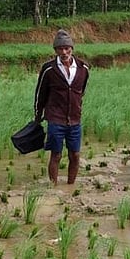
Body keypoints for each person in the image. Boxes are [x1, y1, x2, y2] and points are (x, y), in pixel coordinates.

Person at [33, 29, 90, 185]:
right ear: (55, 50)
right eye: (60, 49)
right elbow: (40, 93)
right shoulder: (49, 69)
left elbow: (81, 91)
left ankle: (70, 187)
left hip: (75, 120)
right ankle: (54, 187)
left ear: (72, 48)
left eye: (67, 48)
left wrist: (76, 107)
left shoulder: (83, 68)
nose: (64, 52)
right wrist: (38, 115)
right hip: (55, 119)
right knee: (56, 155)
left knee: (75, 155)